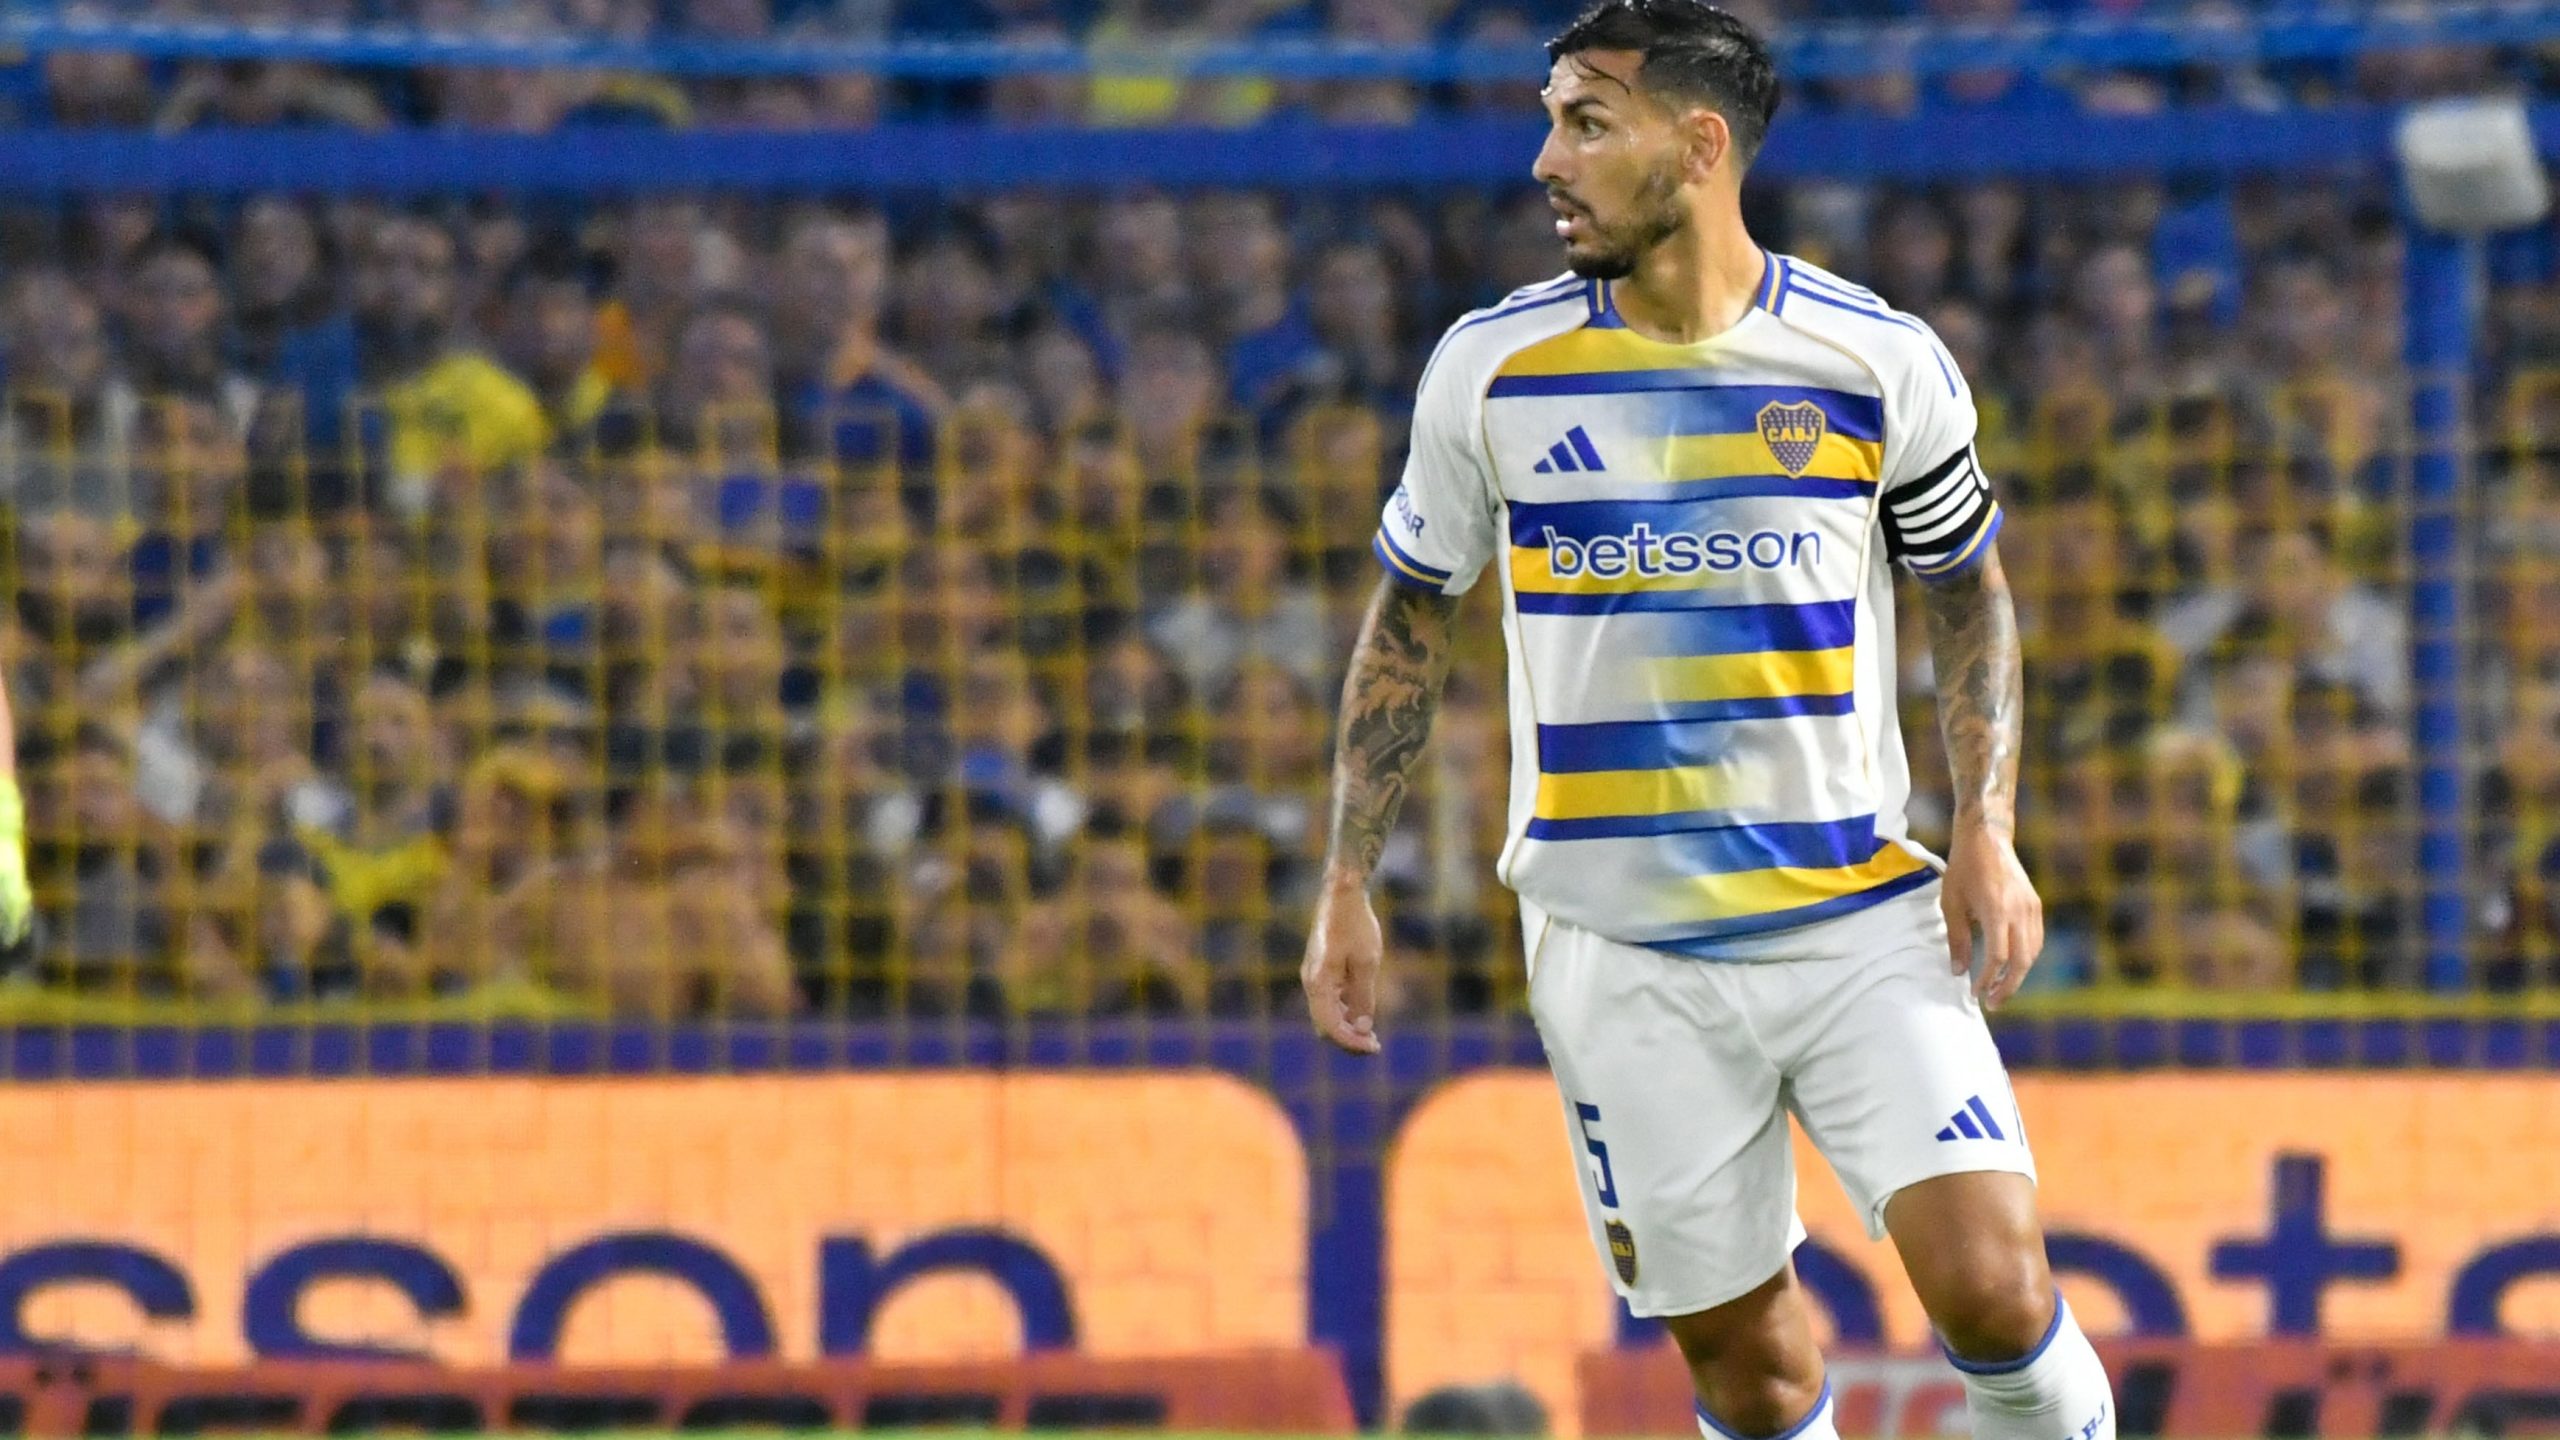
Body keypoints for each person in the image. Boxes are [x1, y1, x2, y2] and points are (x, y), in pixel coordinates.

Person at [1297, 10, 2116, 1440]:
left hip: (1854, 916)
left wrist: (1987, 828)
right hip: (1619, 951)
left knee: (1994, 1289)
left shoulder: (1873, 359)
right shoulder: (1490, 371)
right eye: (1550, 120)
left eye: (1587, 123)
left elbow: (1967, 594)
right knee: (1756, 1374)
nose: (1548, 160)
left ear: (1699, 144)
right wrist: (1347, 878)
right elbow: (1411, 618)